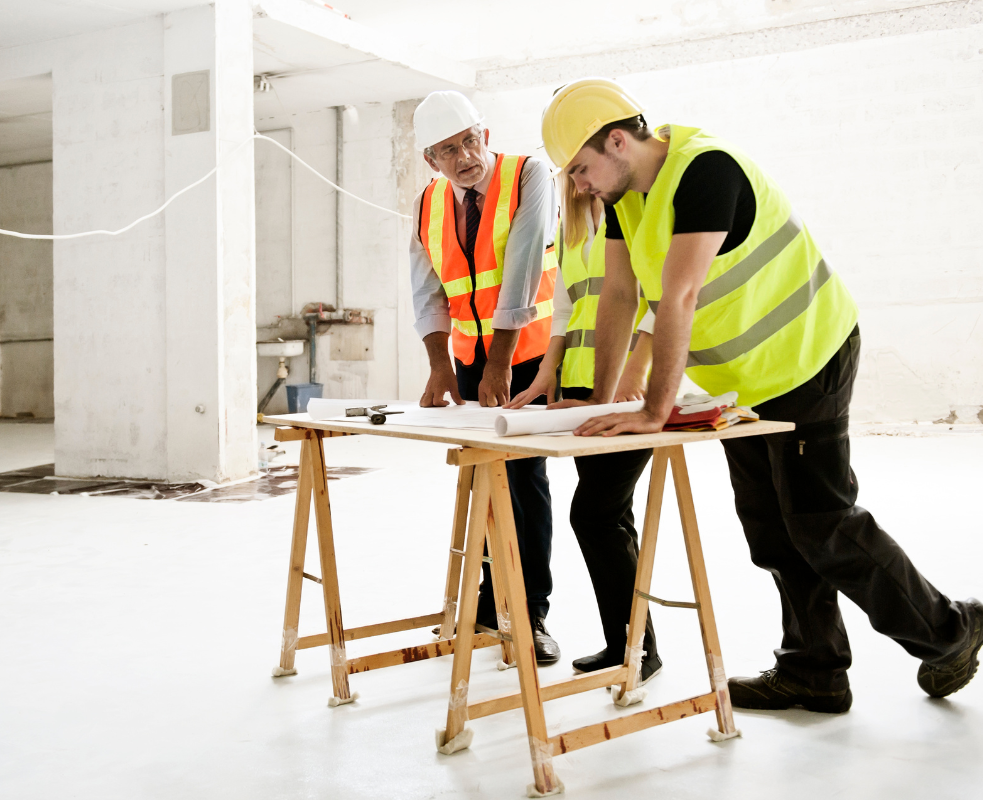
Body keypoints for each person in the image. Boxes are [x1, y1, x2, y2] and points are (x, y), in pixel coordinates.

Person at [538, 78, 982, 711]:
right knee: (772, 531)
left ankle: (951, 630)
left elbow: (682, 295)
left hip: (807, 356)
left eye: (581, 168)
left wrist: (653, 411)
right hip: (744, 382)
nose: (578, 184)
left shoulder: (705, 171)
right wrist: (605, 402)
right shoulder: (624, 195)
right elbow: (618, 294)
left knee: (822, 524)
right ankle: (814, 671)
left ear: (617, 140)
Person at [410, 91, 560, 663]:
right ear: (432, 160)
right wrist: (440, 368)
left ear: (486, 134)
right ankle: (488, 604)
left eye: (471, 139)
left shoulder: (529, 174)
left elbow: (522, 269)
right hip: (474, 363)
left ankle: (531, 614)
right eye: (449, 149)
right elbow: (426, 289)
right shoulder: (428, 204)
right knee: (484, 484)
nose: (465, 155)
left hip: (525, 358)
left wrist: (498, 364)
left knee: (523, 485)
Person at [506, 174, 663, 681]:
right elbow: (567, 310)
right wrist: (545, 375)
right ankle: (631, 647)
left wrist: (632, 377)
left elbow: (663, 300)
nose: (579, 181)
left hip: (625, 395)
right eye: (569, 173)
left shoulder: (637, 215)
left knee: (597, 515)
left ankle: (635, 648)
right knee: (609, 518)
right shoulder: (571, 234)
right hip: (581, 396)